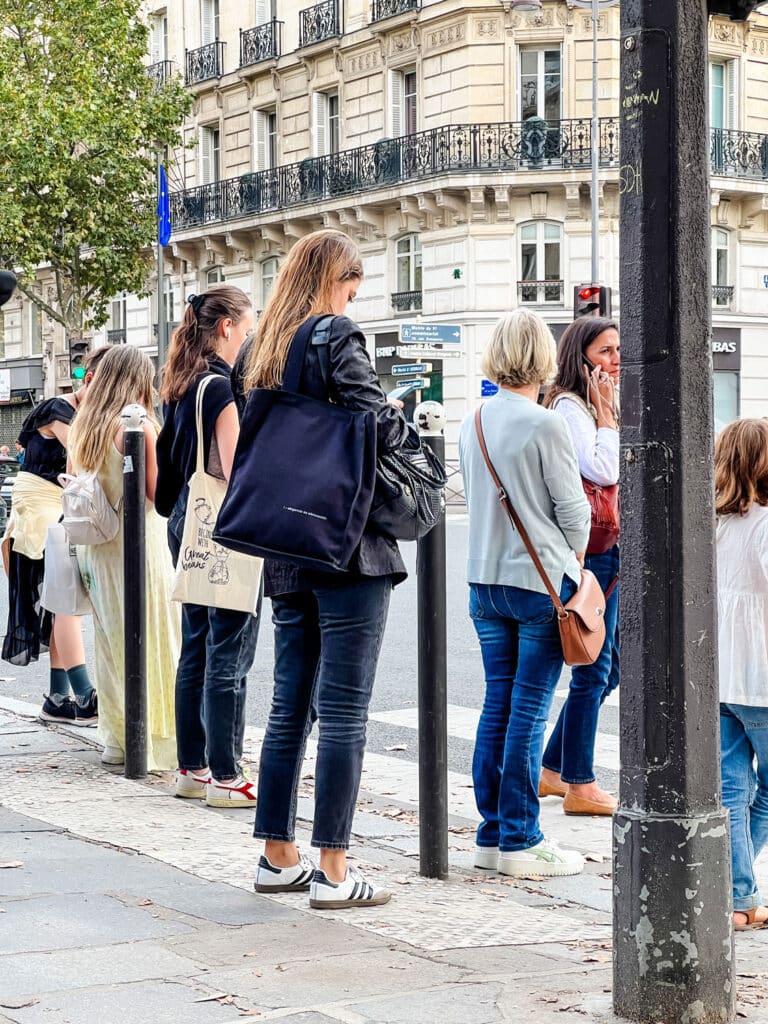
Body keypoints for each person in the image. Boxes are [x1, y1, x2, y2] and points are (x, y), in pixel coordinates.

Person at [237, 229, 409, 909]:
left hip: (285, 543)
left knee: (289, 707)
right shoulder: (334, 333)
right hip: (345, 541)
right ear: (335, 281)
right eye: (351, 289)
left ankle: (279, 856)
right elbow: (371, 420)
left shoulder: (259, 348)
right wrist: (400, 418)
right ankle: (336, 871)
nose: (352, 302)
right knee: (343, 712)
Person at [459, 309, 591, 878]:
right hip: (539, 584)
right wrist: (576, 563)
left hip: (484, 581)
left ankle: (491, 833)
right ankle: (521, 837)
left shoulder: (474, 419)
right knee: (530, 711)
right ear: (544, 357)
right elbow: (573, 510)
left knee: (498, 705)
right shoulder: (545, 424)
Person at [156, 285, 260, 805]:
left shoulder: (180, 383)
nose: (248, 337)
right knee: (229, 646)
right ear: (225, 328)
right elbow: (233, 464)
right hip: (219, 523)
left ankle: (191, 768)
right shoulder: (218, 388)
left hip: (185, 521)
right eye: (246, 328)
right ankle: (226, 772)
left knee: (194, 644)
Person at [69, 346, 180, 769]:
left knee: (113, 644)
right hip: (140, 546)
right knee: (157, 639)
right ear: (136, 378)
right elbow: (156, 495)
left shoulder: (84, 427)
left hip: (98, 549)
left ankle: (117, 739)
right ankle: (156, 741)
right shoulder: (138, 426)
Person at [538, 317, 621, 815]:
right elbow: (603, 469)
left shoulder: (591, 405)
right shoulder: (570, 407)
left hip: (608, 546)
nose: (614, 359)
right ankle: (580, 784)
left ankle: (552, 768)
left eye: (617, 350)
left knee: (608, 670)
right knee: (594, 667)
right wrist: (608, 418)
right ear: (581, 357)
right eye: (605, 350)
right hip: (593, 550)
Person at [2, 347, 108, 725]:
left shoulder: (79, 412)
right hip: (40, 499)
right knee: (64, 592)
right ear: (91, 380)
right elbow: (79, 459)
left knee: (62, 593)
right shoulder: (57, 408)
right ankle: (84, 695)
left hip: (60, 496)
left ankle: (59, 697)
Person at [715, 419, 768, 931]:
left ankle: (736, 898)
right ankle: (740, 891)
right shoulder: (767, 524)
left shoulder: (714, 522)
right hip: (761, 678)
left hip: (720, 676)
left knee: (731, 790)